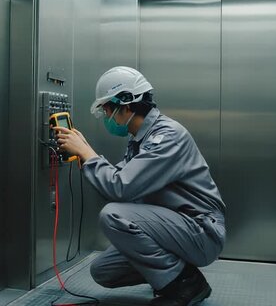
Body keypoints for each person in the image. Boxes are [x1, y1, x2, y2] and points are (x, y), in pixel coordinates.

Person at [54, 66, 226, 306]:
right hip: (174, 229)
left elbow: (121, 188)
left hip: (200, 231)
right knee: (103, 271)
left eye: (106, 109)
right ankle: (174, 274)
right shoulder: (139, 140)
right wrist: (86, 155)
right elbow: (119, 179)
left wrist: (88, 154)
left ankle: (185, 285)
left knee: (112, 215)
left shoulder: (166, 136)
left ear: (125, 105)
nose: (106, 116)